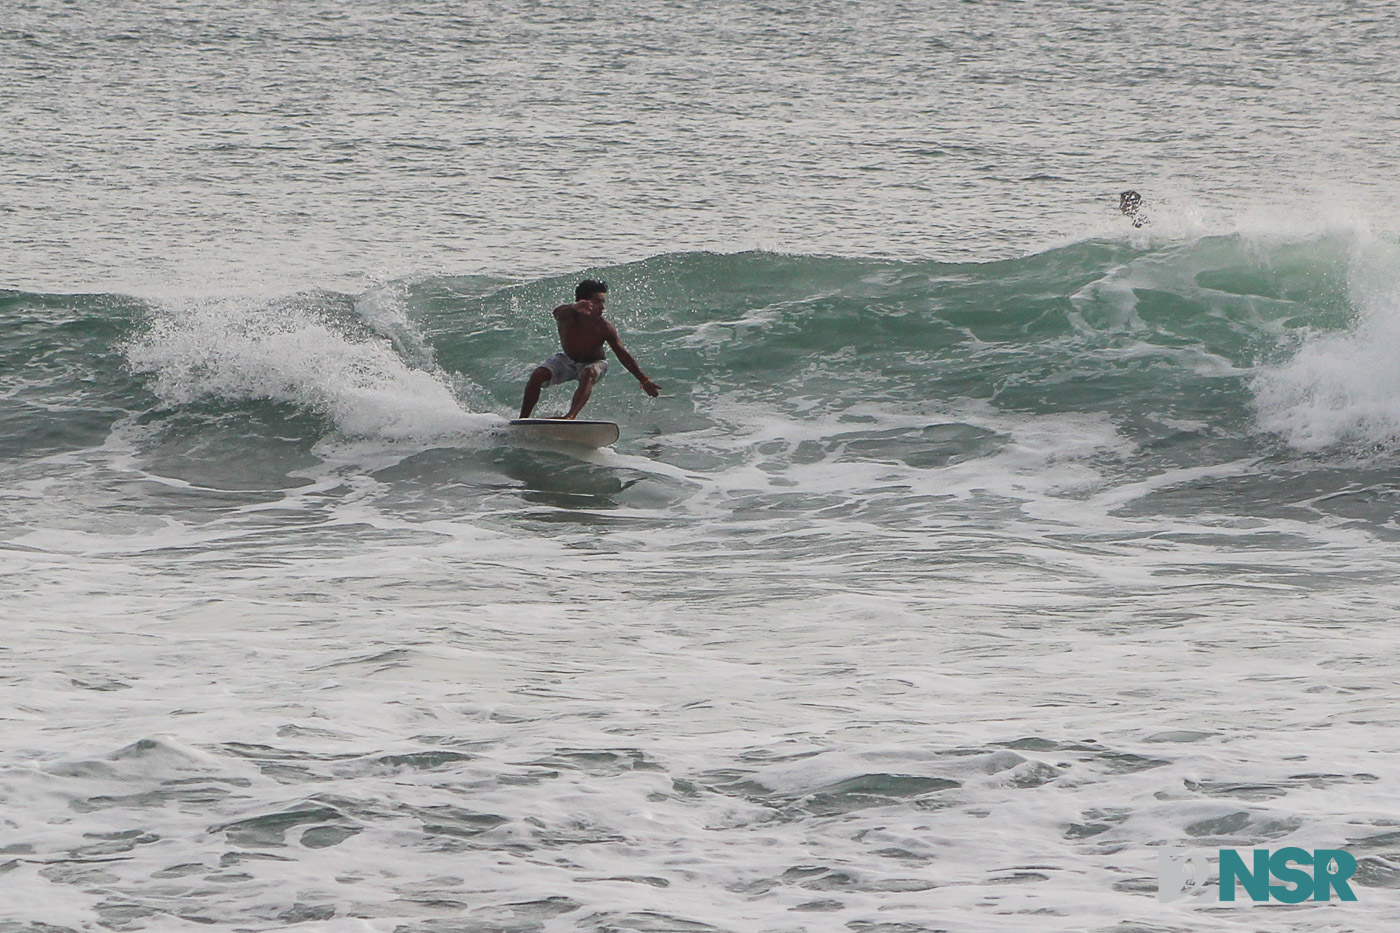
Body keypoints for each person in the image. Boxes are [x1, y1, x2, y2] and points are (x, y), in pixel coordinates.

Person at [518, 280, 661, 420]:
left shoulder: (604, 327)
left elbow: (622, 354)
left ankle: (570, 416)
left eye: (603, 302)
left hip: (594, 362)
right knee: (538, 374)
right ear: (584, 302)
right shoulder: (567, 316)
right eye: (598, 301)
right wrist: (574, 307)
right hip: (567, 359)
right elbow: (557, 312)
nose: (602, 307)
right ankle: (522, 419)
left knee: (589, 372)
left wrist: (644, 380)